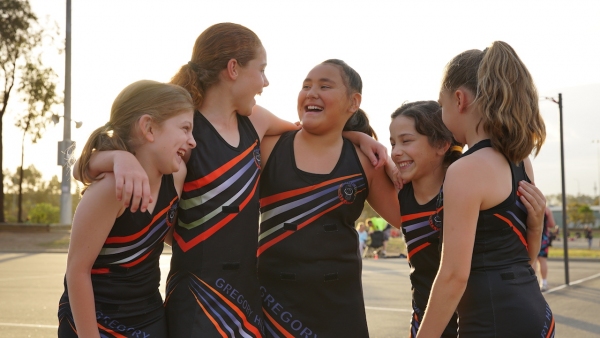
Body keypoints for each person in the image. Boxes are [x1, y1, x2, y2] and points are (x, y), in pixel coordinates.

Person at [75, 23, 388, 337]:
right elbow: (114, 154)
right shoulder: (184, 130)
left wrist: (356, 135)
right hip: (197, 295)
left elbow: (310, 130)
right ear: (233, 69)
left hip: (247, 298)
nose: (266, 82)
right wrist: (115, 157)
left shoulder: (257, 120)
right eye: (261, 70)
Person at [416, 41, 554, 337]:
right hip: (537, 316)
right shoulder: (521, 161)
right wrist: (536, 224)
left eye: (442, 106)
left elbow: (453, 276)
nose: (441, 114)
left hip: (494, 321)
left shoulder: (466, 170)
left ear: (459, 99)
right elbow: (525, 262)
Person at [257, 59, 401, 337]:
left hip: (340, 310)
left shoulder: (365, 161)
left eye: (325, 86)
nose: (311, 93)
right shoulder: (268, 146)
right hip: (272, 307)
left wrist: (400, 167)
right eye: (306, 86)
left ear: (353, 101)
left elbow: (406, 218)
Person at [390, 100, 546, 338]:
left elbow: (523, 262)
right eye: (392, 143)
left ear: (441, 144)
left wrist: (536, 225)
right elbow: (352, 153)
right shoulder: (400, 196)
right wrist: (364, 139)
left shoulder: (473, 182)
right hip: (428, 325)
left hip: (480, 323)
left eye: (406, 140)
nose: (395, 151)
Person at [57, 80, 196, 337]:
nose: (192, 142)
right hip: (98, 321)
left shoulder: (177, 176)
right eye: (185, 129)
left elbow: (160, 234)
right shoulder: (110, 189)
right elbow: (77, 271)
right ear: (149, 128)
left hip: (149, 316)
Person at [535, 206, 556, 291]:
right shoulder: (546, 209)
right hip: (543, 237)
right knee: (542, 261)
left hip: (531, 236)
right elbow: (552, 224)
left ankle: (533, 283)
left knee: (532, 261)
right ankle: (544, 283)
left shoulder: (528, 205)